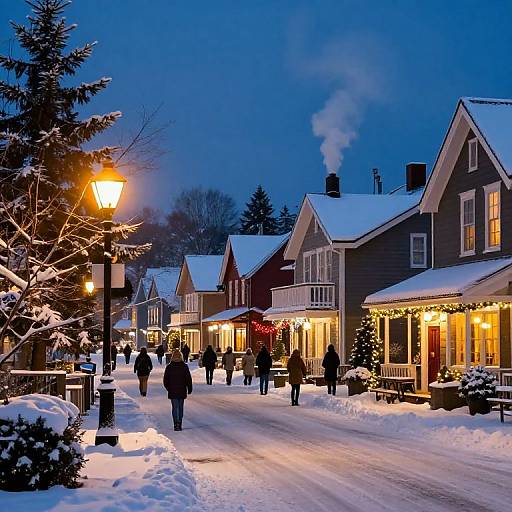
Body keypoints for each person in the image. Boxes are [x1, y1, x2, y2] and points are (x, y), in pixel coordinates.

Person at [163, 350, 193, 431]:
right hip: (182, 390)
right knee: (180, 407)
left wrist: (168, 388)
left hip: (172, 390)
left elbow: (165, 380)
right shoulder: (184, 367)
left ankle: (175, 423)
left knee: (174, 407)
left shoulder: (169, 367)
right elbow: (188, 379)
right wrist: (189, 388)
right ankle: (179, 423)